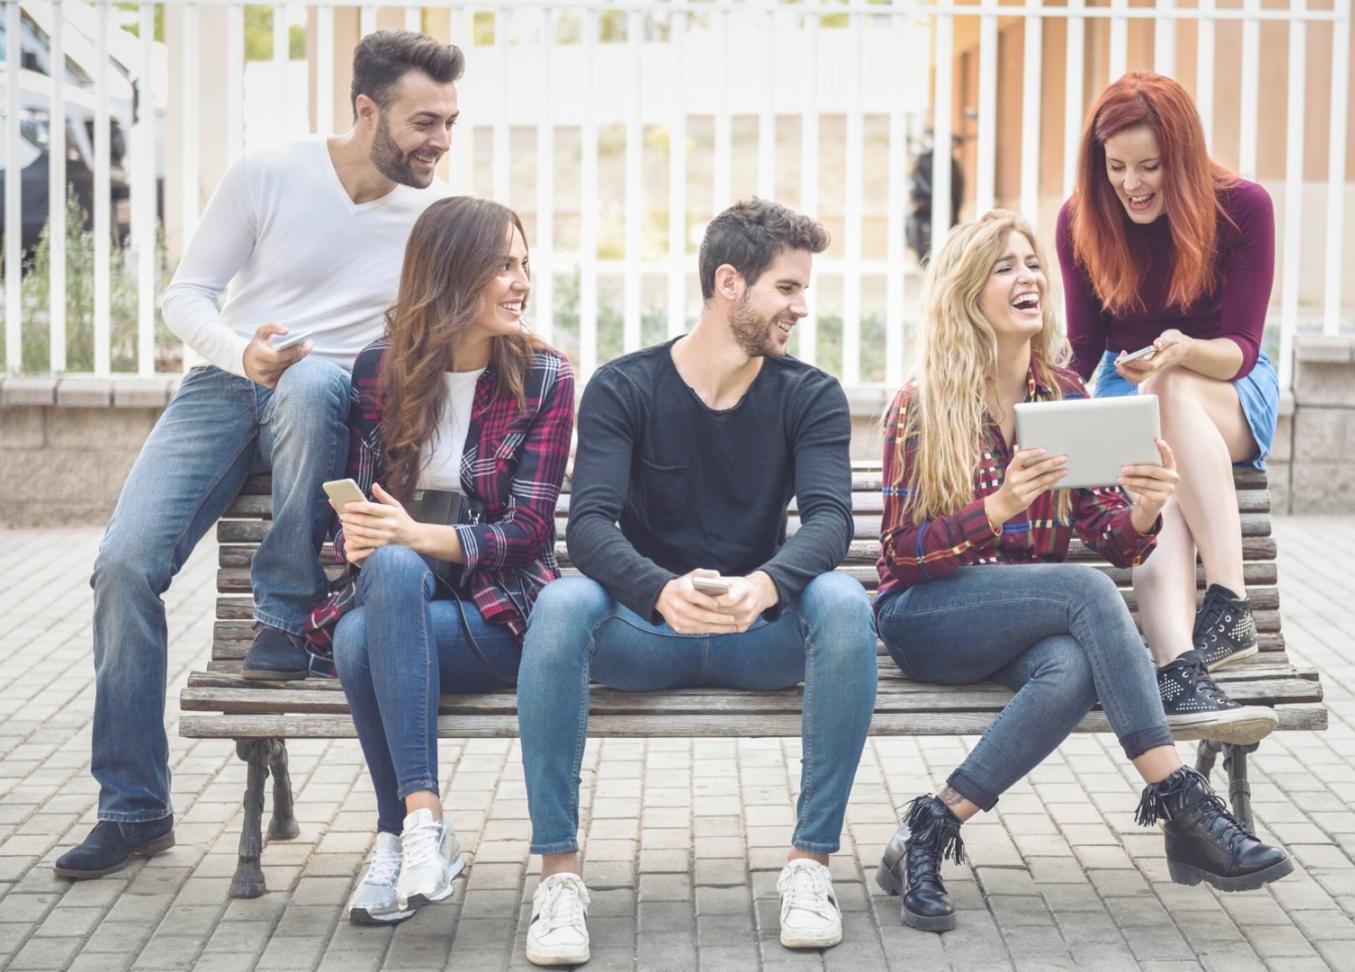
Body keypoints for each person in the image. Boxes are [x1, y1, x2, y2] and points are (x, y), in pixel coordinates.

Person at [58, 31, 462, 880]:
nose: (441, 142)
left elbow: (441, 344)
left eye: (450, 123)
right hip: (224, 386)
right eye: (425, 122)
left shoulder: (432, 219)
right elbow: (187, 295)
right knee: (123, 569)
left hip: (330, 399)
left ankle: (283, 619)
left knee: (316, 381)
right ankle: (134, 807)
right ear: (366, 110)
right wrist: (241, 353)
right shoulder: (269, 172)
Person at [874, 211, 1292, 932]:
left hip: (1026, 628)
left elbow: (1107, 536)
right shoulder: (921, 405)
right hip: (927, 619)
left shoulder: (1062, 394)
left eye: (1031, 263)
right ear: (966, 292)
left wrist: (1142, 511)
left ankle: (929, 826)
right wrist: (999, 505)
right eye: (1003, 267)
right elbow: (900, 557)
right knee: (1086, 592)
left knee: (1069, 668)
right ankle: (1183, 803)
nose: (1028, 277)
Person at [515, 199, 878, 965]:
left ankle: (809, 866)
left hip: (760, 638)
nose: (801, 308)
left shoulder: (809, 395)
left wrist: (767, 586)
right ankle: (557, 878)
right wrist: (657, 590)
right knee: (559, 601)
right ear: (727, 283)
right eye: (786, 288)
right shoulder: (623, 388)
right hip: (644, 636)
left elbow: (829, 522)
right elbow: (588, 527)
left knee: (843, 600)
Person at [305, 198, 574, 925]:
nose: (522, 282)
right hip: (401, 600)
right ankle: (421, 825)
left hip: (501, 615)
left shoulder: (545, 376)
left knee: (363, 635)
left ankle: (399, 831)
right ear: (453, 274)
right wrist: (355, 537)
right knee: (381, 586)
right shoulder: (379, 373)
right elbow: (358, 510)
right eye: (504, 267)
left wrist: (412, 538)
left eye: (524, 265)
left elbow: (525, 531)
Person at [1056, 71, 1280, 740]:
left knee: (1168, 391)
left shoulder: (1244, 206)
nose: (1131, 183)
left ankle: (1231, 598)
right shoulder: (1080, 218)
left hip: (1225, 388)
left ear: (1180, 158)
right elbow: (1084, 348)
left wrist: (1179, 350)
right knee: (1158, 488)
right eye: (1116, 165)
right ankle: (1179, 666)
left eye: (1149, 166)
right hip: (1140, 393)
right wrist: (1050, 404)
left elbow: (1240, 347)